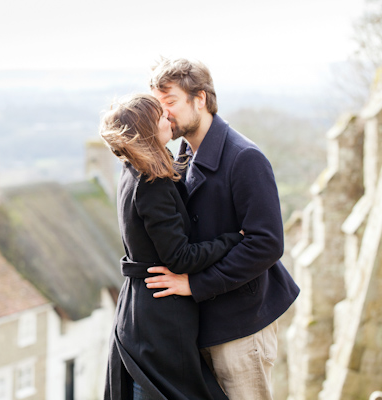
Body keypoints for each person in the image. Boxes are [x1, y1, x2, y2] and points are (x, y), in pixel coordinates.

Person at [143, 58, 300, 400]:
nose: (163, 113)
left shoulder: (245, 158)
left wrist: (195, 284)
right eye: (158, 104)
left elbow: (267, 244)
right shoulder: (181, 155)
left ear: (199, 99)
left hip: (241, 326)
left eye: (170, 102)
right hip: (201, 324)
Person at [100, 93, 244, 400]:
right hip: (161, 317)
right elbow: (180, 257)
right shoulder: (151, 183)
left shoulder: (132, 170)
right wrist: (233, 239)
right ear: (149, 131)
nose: (168, 117)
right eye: (160, 116)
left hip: (142, 309)